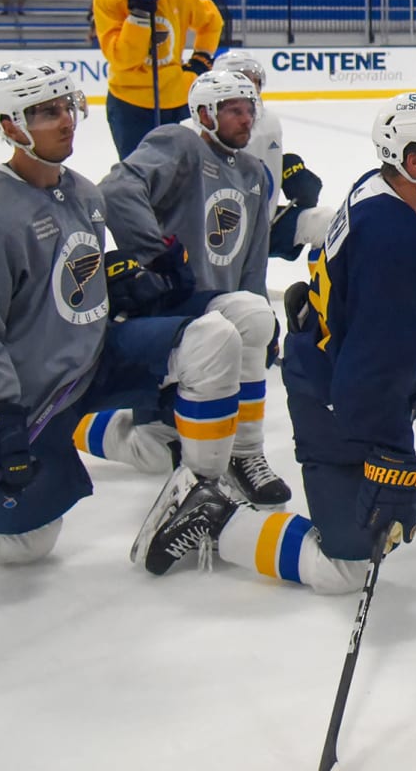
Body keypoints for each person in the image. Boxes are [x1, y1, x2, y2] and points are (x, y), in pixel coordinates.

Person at [131, 93, 416, 583]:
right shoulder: (395, 242)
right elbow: (371, 374)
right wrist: (394, 462)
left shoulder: (399, 192)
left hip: (407, 358)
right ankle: (217, 517)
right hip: (337, 400)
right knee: (346, 566)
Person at [0, 60, 256, 566]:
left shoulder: (83, 192)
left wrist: (127, 283)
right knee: (19, 544)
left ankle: (197, 495)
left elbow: (66, 283)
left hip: (91, 361)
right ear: (9, 126)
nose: (65, 121)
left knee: (214, 337)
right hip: (29, 396)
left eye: (67, 107)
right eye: (45, 112)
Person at [89, 68, 287, 506]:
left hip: (220, 310)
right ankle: (76, 423)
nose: (245, 119)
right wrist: (154, 253)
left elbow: (253, 259)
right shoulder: (181, 145)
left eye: (248, 109)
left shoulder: (253, 172)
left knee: (165, 448)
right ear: (203, 114)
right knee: (159, 447)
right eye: (232, 110)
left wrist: (265, 318)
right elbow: (118, 191)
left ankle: (242, 455)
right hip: (168, 308)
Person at [92, 0, 222, 159]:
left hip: (177, 97)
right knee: (138, 174)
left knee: (182, 172)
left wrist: (201, 60)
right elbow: (123, 59)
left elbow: (211, 21)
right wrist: (139, 14)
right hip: (129, 104)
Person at [215, 50, 330, 262]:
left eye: (254, 80)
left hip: (266, 225)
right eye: (241, 79)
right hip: (217, 234)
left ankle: (320, 294)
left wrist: (289, 171)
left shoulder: (269, 123)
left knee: (328, 223)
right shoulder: (198, 129)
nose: (250, 87)